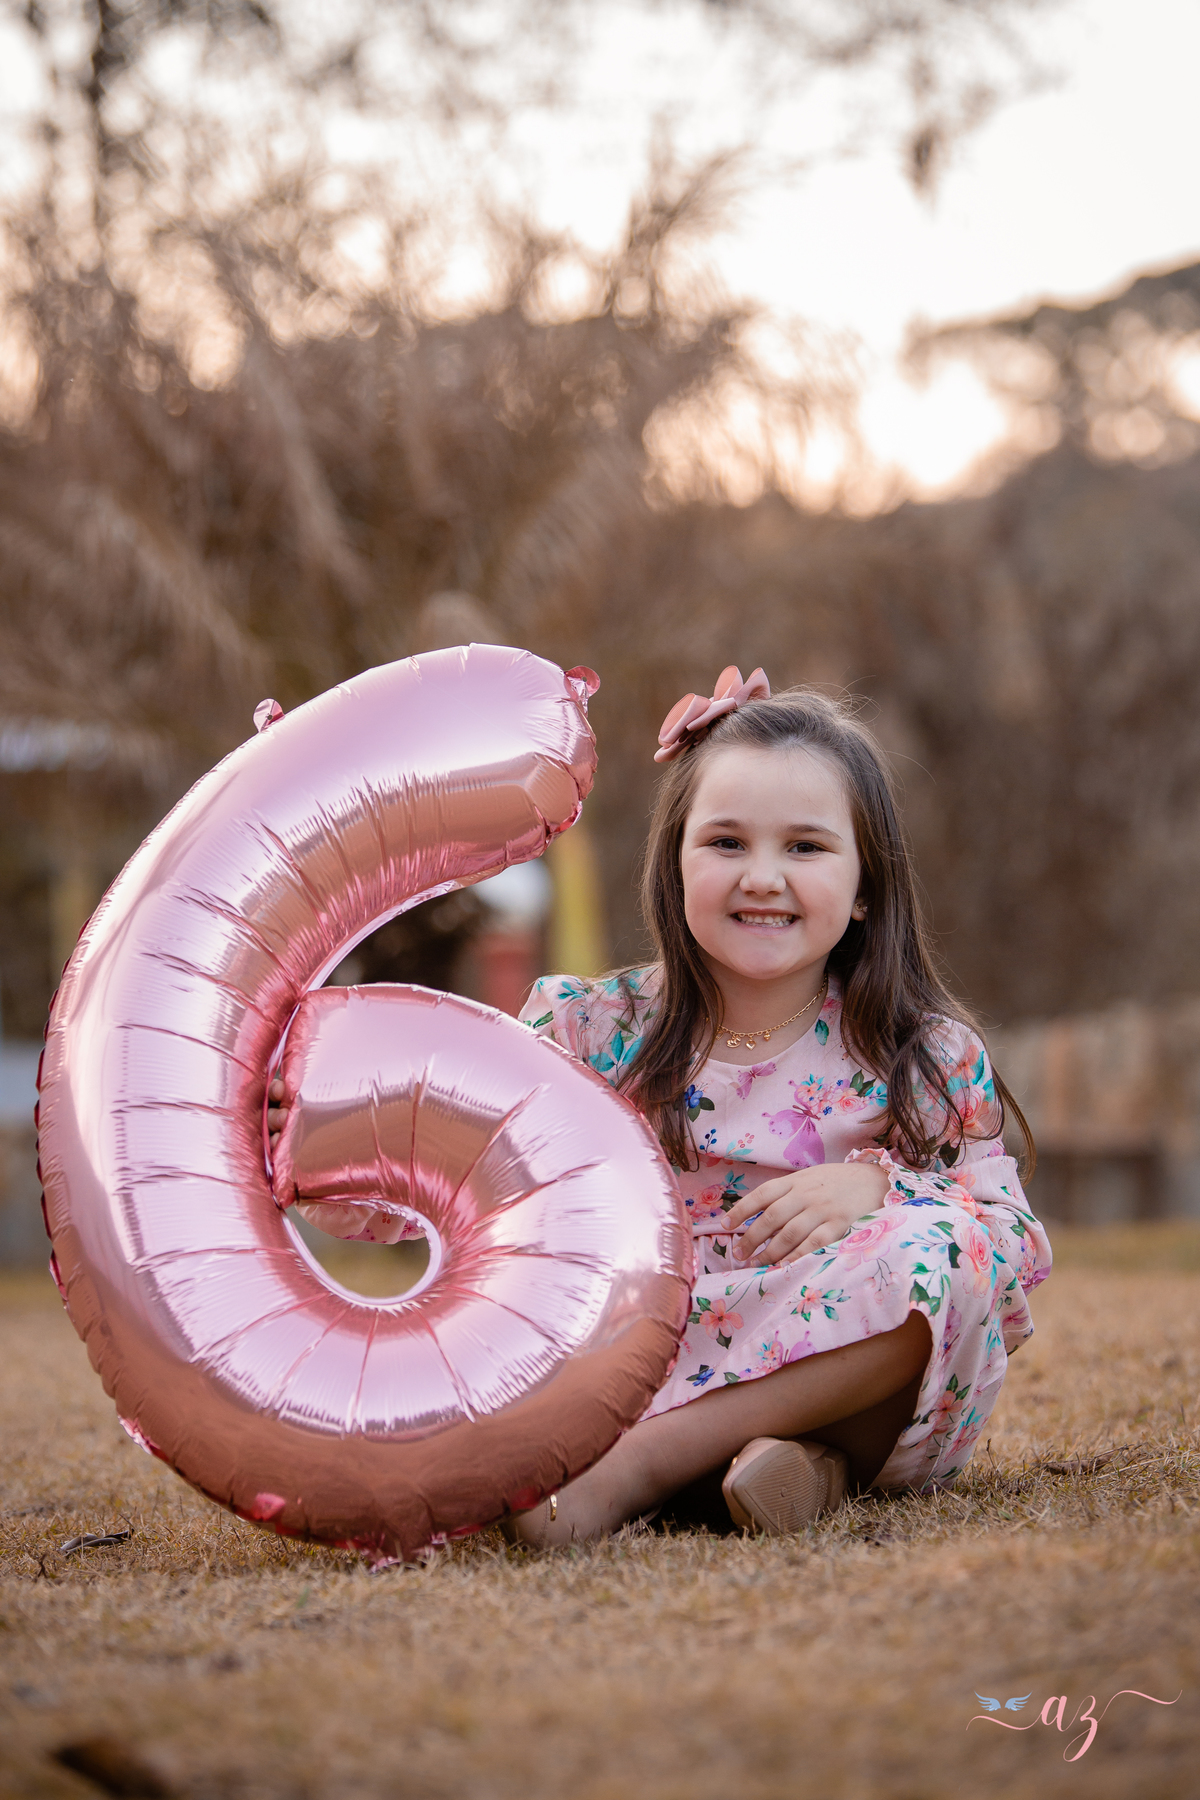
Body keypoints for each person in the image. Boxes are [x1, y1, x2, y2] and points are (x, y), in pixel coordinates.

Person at [503, 668, 1052, 1545]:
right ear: (675, 863)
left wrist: (881, 1191)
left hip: (863, 1384)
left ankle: (635, 1473)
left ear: (865, 886)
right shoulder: (589, 1031)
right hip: (650, 1357)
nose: (763, 877)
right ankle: (803, 1472)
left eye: (805, 847)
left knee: (945, 1253)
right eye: (726, 842)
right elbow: (462, 1161)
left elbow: (1013, 1246)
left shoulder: (921, 1058)